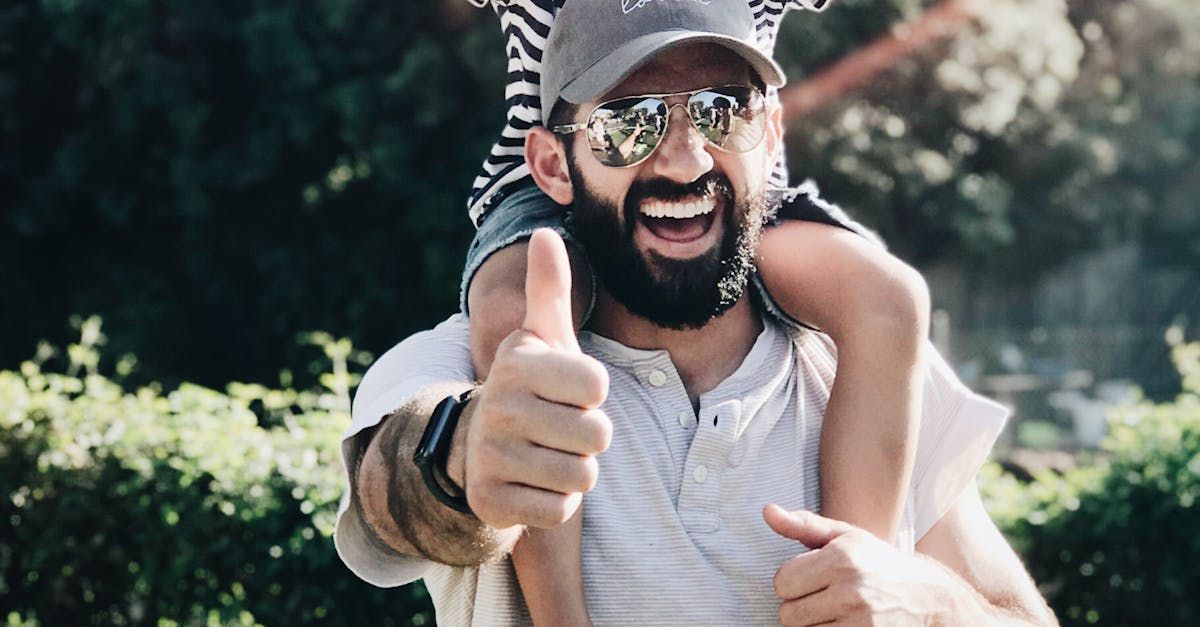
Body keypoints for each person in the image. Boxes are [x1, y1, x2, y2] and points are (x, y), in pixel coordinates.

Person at [337, 2, 1058, 625]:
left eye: (724, 111)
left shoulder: (865, 370)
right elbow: (391, 489)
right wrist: (460, 457)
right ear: (554, 164)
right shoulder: (478, 368)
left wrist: (928, 600)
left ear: (770, 134)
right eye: (629, 123)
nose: (685, 161)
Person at [461, 1, 928, 622]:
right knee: (520, 321)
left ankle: (844, 587)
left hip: (747, 183)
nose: (684, 158)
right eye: (633, 116)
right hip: (552, 180)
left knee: (888, 298)